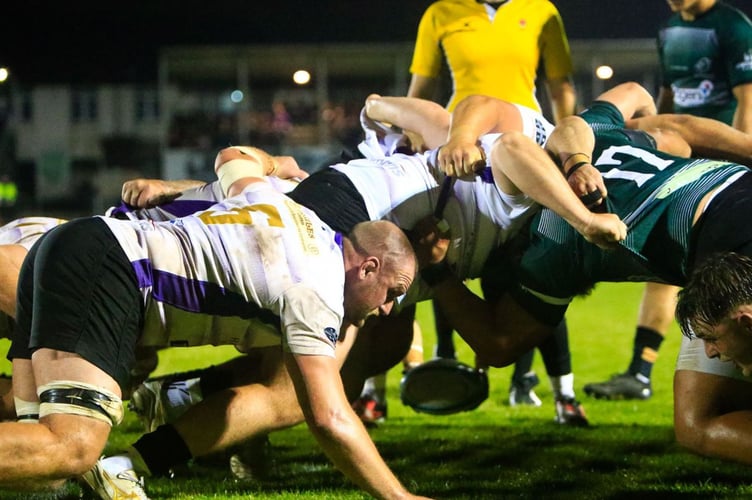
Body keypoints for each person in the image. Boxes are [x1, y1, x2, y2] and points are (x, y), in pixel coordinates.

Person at [422, 93, 752, 469]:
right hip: (728, 197)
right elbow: (646, 106)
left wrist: (437, 271)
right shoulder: (590, 143)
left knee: (699, 422)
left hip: (720, 252)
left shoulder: (554, 245)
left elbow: (499, 344)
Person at [406, 0, 579, 412]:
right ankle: (446, 365)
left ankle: (562, 393)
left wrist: (566, 150)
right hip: (462, 151)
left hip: (525, 150)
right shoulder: (440, 12)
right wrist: (409, 130)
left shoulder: (541, 11)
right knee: (448, 263)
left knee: (536, 272)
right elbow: (421, 88)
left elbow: (561, 86)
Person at [584, 0, 752, 401]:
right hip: (684, 153)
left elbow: (747, 100)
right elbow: (668, 96)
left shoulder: (732, 26)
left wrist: (745, 157)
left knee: (709, 274)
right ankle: (641, 371)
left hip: (724, 155)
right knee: (667, 268)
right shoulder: (669, 29)